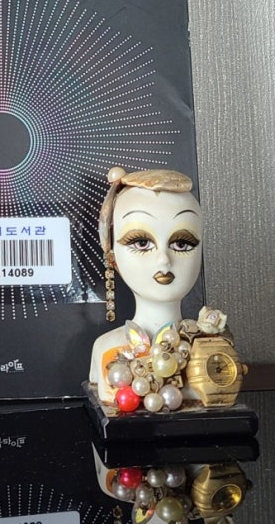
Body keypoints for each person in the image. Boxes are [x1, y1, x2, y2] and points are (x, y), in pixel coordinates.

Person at [89, 167, 203, 405]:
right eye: (141, 243)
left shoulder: (209, 352)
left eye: (182, 244)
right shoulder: (106, 350)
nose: (164, 260)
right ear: (112, 256)